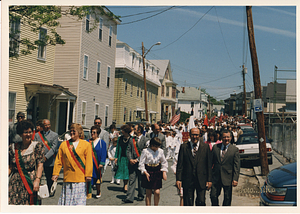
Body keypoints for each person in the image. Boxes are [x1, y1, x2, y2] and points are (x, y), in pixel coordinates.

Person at [52, 123, 93, 205]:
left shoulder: (86, 145)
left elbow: (89, 161)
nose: (72, 133)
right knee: (67, 202)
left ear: (79, 132)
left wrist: (88, 174)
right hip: (68, 177)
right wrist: (55, 173)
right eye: (71, 131)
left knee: (78, 203)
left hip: (80, 178)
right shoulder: (64, 144)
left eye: (74, 131)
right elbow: (58, 160)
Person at [9, 120, 45, 205]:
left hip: (30, 181)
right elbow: (10, 166)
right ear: (20, 134)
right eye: (26, 132)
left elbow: (40, 165)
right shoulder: (13, 147)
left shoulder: (37, 146)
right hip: (15, 183)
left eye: (30, 132)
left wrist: (37, 180)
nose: (29, 134)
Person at [176, 128, 212, 206]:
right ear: (190, 135)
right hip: (188, 179)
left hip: (201, 179)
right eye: (193, 134)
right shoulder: (184, 147)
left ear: (199, 135)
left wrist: (209, 180)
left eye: (196, 135)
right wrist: (178, 179)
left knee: (201, 202)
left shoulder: (205, 147)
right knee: (188, 202)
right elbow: (180, 164)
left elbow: (208, 165)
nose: (194, 137)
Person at [210, 129, 240, 206]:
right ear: (221, 138)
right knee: (213, 196)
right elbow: (210, 162)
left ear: (230, 138)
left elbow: (237, 165)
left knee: (227, 198)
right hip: (216, 177)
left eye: (228, 137)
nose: (226, 139)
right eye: (224, 137)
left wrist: (235, 179)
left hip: (228, 177)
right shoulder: (215, 147)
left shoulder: (234, 150)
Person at [138, 137, 168, 206]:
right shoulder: (145, 151)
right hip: (148, 170)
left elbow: (164, 162)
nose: (157, 148)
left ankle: (156, 207)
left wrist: (164, 172)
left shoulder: (160, 151)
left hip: (157, 170)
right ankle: (149, 208)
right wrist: (145, 172)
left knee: (157, 192)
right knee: (148, 192)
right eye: (156, 146)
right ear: (152, 145)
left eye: (158, 146)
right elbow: (141, 163)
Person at [122, 124, 146, 203]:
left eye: (135, 128)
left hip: (141, 163)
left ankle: (141, 195)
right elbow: (128, 150)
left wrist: (137, 159)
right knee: (131, 180)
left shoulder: (145, 139)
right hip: (132, 163)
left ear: (139, 130)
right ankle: (129, 197)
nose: (133, 129)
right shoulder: (131, 139)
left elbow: (144, 152)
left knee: (140, 180)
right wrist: (130, 159)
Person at [34, 119, 58, 194]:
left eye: (49, 125)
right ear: (42, 126)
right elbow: (35, 146)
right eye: (45, 125)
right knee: (38, 175)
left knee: (49, 177)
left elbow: (53, 148)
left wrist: (46, 157)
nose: (47, 126)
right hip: (39, 160)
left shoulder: (54, 135)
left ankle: (50, 190)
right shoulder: (37, 135)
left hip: (49, 160)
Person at [86, 126, 107, 199]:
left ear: (98, 133)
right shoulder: (87, 141)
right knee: (88, 178)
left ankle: (98, 191)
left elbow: (104, 153)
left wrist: (102, 162)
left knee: (97, 179)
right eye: (91, 132)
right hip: (88, 163)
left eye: (94, 132)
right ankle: (88, 192)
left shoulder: (102, 142)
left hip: (97, 163)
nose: (92, 134)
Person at [114, 124, 131, 193]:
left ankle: (126, 186)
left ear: (126, 131)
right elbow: (117, 148)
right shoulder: (120, 138)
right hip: (121, 158)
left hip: (128, 158)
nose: (121, 131)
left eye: (122, 130)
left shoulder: (131, 138)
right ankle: (124, 185)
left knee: (127, 172)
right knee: (123, 172)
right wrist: (116, 157)